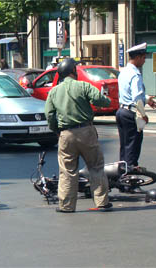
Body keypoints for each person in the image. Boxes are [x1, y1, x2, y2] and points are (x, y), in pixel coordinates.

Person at [44, 58, 112, 213]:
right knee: (95, 167)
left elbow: (49, 114)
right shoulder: (83, 86)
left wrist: (56, 130)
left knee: (67, 171)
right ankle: (102, 202)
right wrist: (106, 100)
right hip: (86, 131)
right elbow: (101, 100)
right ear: (73, 71)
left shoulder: (54, 91)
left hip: (66, 134)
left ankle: (66, 206)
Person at [115, 42, 156, 169]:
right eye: (143, 58)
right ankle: (131, 181)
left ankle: (122, 177)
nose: (144, 61)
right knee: (133, 147)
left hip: (121, 111)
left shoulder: (123, 72)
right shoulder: (135, 74)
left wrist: (147, 99)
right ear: (138, 57)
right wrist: (143, 115)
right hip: (131, 114)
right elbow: (136, 97)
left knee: (125, 146)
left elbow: (127, 93)